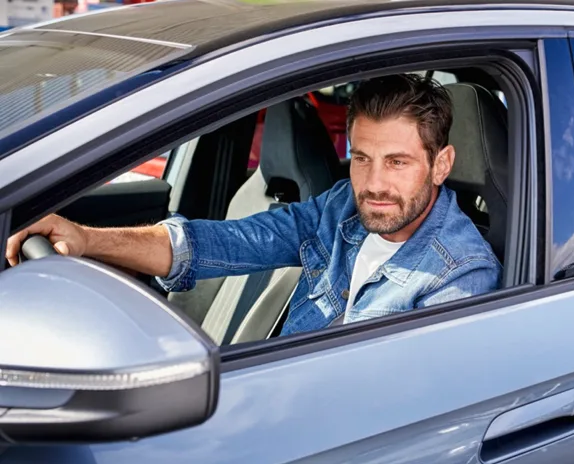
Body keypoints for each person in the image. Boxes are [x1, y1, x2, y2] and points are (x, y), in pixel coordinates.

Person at [5, 74, 502, 336]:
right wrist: (86, 239)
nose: (373, 184)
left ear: (441, 164)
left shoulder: (460, 275)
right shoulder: (343, 208)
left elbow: (392, 407)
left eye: (397, 163)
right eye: (361, 158)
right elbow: (226, 242)